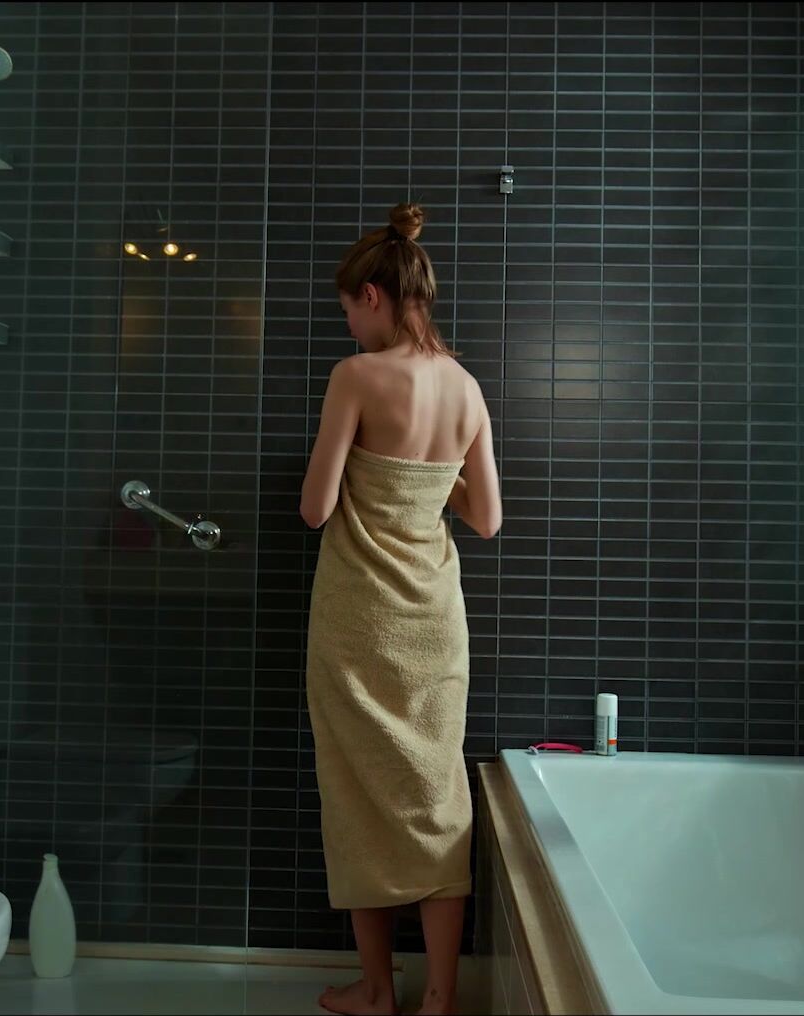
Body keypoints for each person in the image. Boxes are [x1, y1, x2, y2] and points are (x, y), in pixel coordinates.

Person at [300, 202, 502, 1016]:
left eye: (349, 309)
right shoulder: (467, 388)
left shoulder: (355, 378)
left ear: (374, 295)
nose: (348, 325)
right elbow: (486, 518)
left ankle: (379, 988)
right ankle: (441, 998)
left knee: (359, 795)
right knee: (433, 795)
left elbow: (315, 508)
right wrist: (429, 478)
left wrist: (368, 469)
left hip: (359, 623)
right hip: (434, 626)